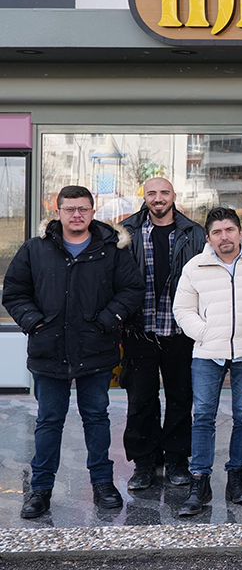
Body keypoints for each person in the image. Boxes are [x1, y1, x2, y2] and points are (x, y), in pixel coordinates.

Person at [5, 186, 144, 519]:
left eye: (83, 209)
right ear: (58, 212)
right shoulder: (35, 250)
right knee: (49, 421)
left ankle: (103, 484)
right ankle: (40, 490)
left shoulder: (111, 251)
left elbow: (132, 290)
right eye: (70, 209)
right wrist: (34, 322)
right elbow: (14, 292)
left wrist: (108, 320)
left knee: (96, 419)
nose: (76, 215)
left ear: (93, 212)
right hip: (48, 350)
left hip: (95, 349)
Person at [173, 207, 242, 516]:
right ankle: (200, 482)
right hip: (208, 353)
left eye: (230, 230)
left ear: (241, 232)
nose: (224, 237)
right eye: (217, 232)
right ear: (208, 237)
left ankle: (236, 479)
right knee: (203, 416)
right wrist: (205, 334)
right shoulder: (195, 266)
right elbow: (183, 309)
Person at [119, 177, 205, 492]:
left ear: (173, 197)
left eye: (164, 193)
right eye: (152, 193)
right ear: (144, 197)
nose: (158, 198)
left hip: (180, 330)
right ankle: (145, 463)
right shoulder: (125, 232)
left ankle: (177, 460)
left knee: (181, 397)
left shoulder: (193, 233)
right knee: (141, 399)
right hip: (138, 329)